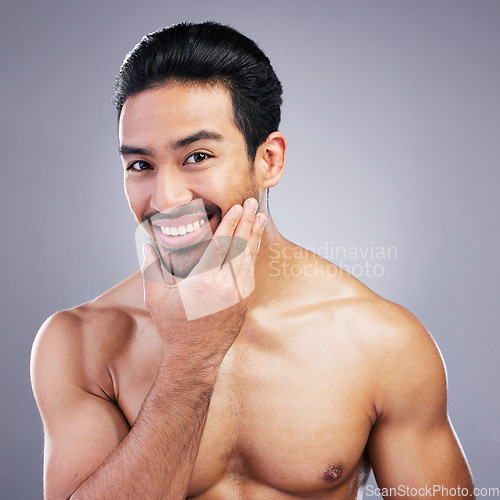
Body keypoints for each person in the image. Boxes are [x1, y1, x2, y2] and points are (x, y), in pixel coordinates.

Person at [31, 21, 475, 499]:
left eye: (197, 156)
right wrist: (189, 362)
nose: (165, 199)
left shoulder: (381, 342)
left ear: (269, 161)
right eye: (140, 165)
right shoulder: (80, 343)